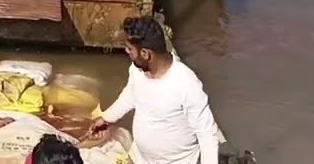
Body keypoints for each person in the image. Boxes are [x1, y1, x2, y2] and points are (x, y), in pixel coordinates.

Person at [88, 16, 224, 164]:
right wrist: (106, 118)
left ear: (146, 54)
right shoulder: (137, 70)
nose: (126, 52)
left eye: (129, 49)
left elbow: (207, 135)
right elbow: (131, 95)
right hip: (141, 158)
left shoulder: (186, 84)